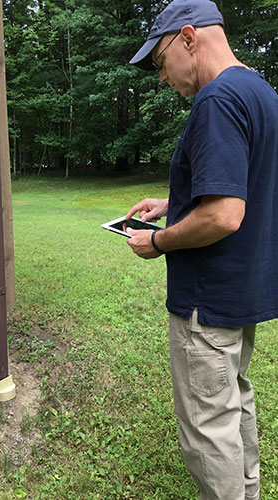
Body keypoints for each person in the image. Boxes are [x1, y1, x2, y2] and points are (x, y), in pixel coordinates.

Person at [126, 0, 278, 499]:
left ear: (189, 38)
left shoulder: (215, 99)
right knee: (234, 398)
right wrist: (174, 202)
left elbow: (224, 214)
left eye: (160, 59)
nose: (162, 75)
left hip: (206, 302)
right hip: (242, 292)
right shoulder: (260, 91)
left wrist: (159, 240)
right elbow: (241, 184)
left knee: (207, 425)